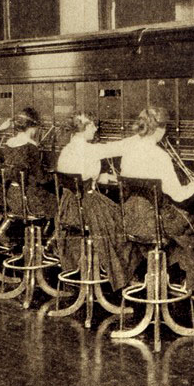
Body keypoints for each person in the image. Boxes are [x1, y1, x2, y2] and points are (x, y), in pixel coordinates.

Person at [109, 106, 194, 293]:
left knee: (173, 229)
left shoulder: (128, 151)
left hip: (129, 221)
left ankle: (155, 276)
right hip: (154, 223)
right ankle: (192, 286)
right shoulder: (161, 156)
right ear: (161, 129)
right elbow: (178, 195)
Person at [56, 113, 130, 290]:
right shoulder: (90, 149)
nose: (96, 129)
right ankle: (117, 275)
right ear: (86, 128)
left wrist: (104, 177)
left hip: (68, 207)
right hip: (87, 206)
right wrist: (144, 133)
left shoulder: (66, 149)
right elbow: (120, 147)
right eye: (93, 126)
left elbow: (82, 175)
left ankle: (93, 268)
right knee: (124, 223)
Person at [0, 107, 56, 241]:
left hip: (12, 197)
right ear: (33, 127)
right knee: (61, 203)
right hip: (29, 200)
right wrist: (56, 176)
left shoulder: (8, 144)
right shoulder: (31, 147)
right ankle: (47, 245)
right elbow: (41, 179)